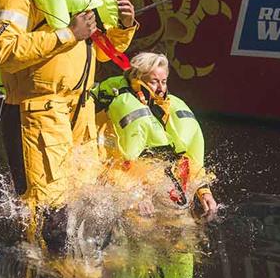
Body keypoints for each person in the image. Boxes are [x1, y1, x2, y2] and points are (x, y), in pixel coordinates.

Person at [0, 0, 137, 244]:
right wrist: (69, 33)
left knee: (87, 205)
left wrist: (125, 24)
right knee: (46, 211)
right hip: (36, 113)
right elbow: (5, 51)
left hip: (79, 111)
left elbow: (109, 52)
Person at [93, 52, 218, 218]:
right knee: (142, 225)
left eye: (164, 82)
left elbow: (188, 160)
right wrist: (135, 194)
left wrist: (204, 191)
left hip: (161, 181)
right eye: (154, 82)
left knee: (185, 228)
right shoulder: (117, 111)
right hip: (129, 185)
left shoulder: (169, 110)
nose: (160, 89)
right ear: (137, 80)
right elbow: (109, 166)